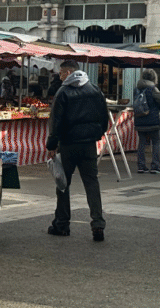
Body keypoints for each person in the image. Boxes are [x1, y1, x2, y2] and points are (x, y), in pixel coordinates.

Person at [45, 60, 109, 241]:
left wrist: (51, 145)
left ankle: (62, 224)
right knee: (91, 183)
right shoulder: (94, 90)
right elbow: (104, 117)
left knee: (63, 184)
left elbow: (55, 122)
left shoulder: (63, 92)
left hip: (68, 144)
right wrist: (97, 133)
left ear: (67, 73)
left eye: (61, 73)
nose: (59, 76)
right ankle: (98, 223)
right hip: (89, 144)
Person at [133, 69, 160, 173]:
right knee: (156, 142)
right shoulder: (153, 89)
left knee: (142, 143)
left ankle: (141, 166)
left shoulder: (136, 89)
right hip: (152, 120)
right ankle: (155, 166)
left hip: (139, 119)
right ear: (153, 78)